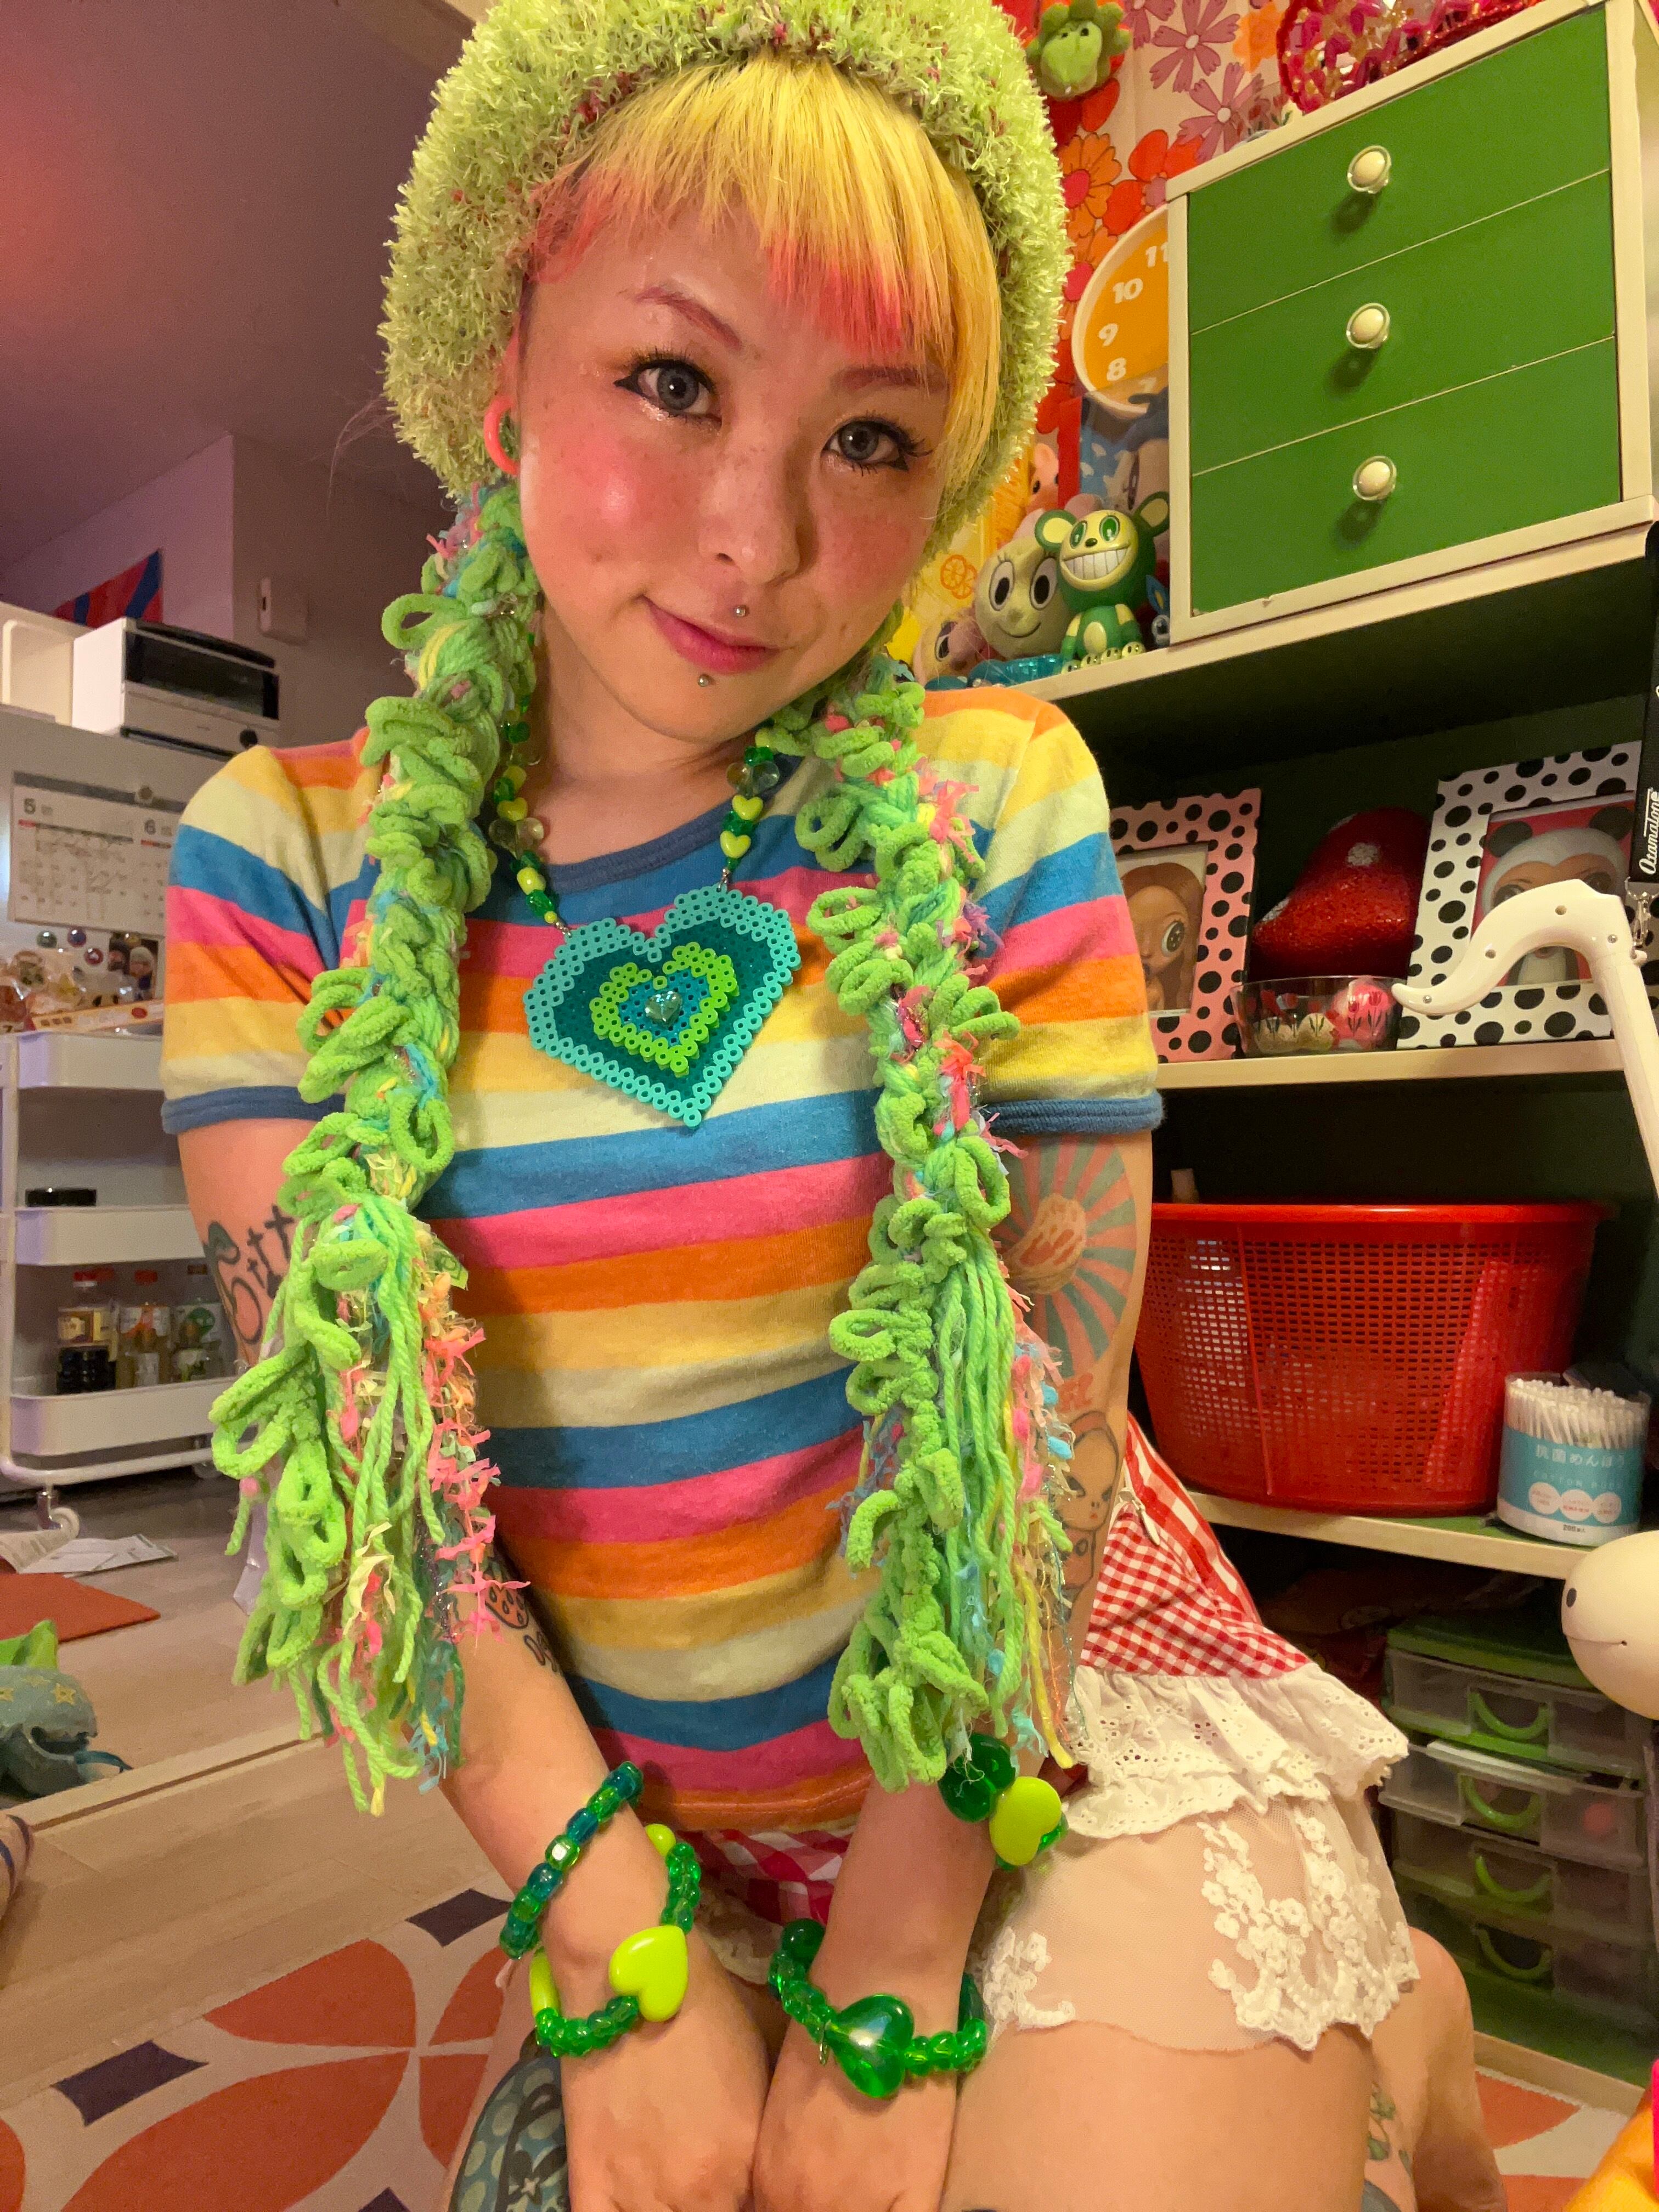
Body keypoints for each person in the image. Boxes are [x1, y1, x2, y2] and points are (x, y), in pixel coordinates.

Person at [162, 3, 1505, 2206]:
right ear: (505, 372)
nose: (758, 537)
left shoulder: (997, 797)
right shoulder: (283, 860)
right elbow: (372, 1489)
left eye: (871, 439)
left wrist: (891, 1957)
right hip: (639, 1815)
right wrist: (613, 1943)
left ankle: (1398, 2018)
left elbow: (1046, 1439)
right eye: (673, 383)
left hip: (1026, 1732)